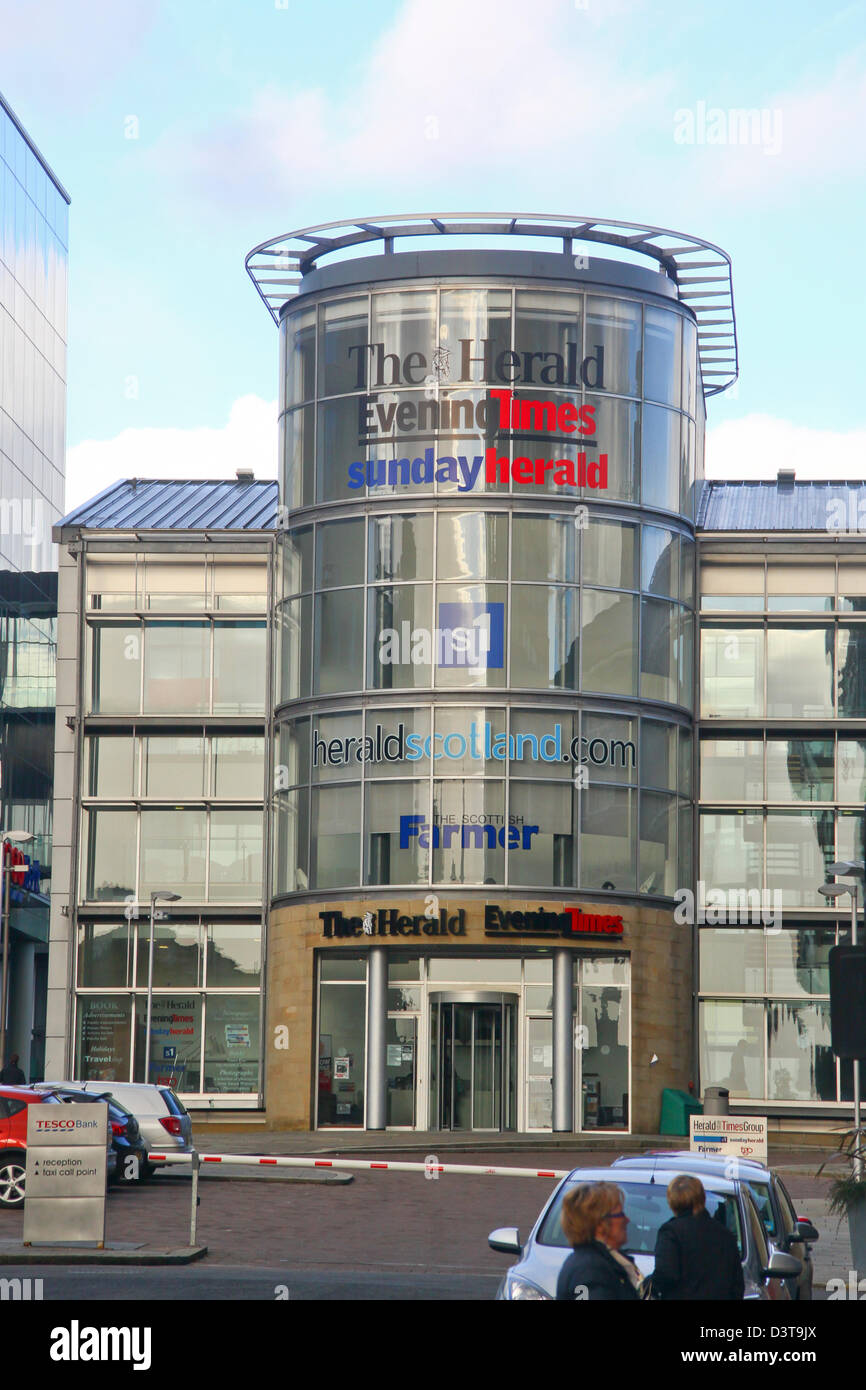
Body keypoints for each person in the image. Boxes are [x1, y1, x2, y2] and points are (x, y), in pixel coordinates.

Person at [652, 1174, 745, 1300]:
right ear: (702, 1199)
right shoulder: (725, 1236)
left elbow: (666, 1274)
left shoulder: (671, 1232)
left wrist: (650, 1285)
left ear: (671, 1202)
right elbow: (737, 1284)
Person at [556, 1181, 641, 1301]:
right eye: (620, 1214)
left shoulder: (596, 1263)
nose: (627, 1220)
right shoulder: (590, 1269)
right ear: (600, 1224)